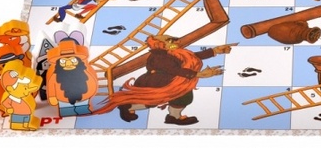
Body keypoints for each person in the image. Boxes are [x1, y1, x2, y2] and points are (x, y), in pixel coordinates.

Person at [92, 35, 234, 125]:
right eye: (171, 41)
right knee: (154, 100)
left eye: (175, 40)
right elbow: (173, 69)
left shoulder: (174, 52)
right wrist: (199, 74)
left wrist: (216, 51)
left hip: (171, 81)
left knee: (182, 97)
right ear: (161, 44)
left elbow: (192, 56)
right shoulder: (160, 55)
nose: (176, 42)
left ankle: (173, 117)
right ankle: (129, 106)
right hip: (157, 82)